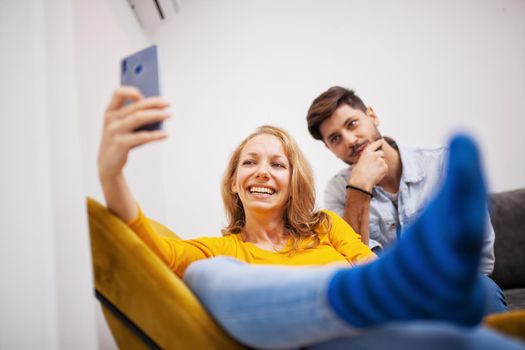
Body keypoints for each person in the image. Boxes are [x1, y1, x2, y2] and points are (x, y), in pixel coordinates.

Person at [97, 87, 524, 350]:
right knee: (206, 276)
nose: (263, 171)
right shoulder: (225, 248)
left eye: (277, 165)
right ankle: (385, 292)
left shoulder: (325, 225)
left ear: (292, 183)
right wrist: (112, 172)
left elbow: (366, 263)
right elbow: (156, 252)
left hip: (362, 333)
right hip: (295, 341)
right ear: (234, 183)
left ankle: (394, 293)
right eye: (250, 163)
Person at [306, 86, 507, 313]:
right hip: (390, 296)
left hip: (451, 284)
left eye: (352, 124)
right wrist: (359, 189)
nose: (350, 140)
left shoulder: (441, 163)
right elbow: (353, 269)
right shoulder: (336, 191)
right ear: (329, 148)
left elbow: (482, 258)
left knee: (483, 290)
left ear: (372, 115)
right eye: (335, 138)